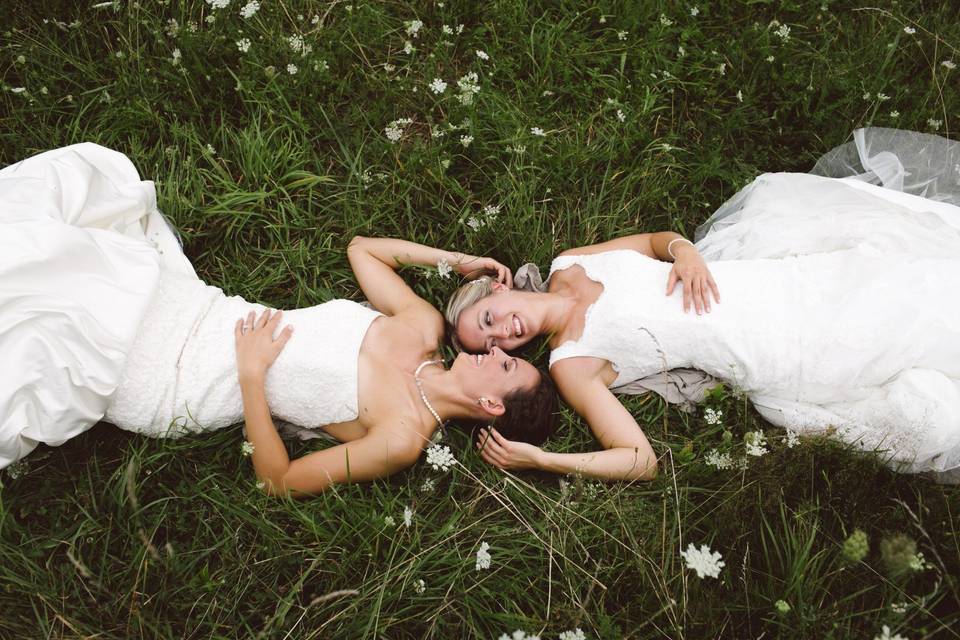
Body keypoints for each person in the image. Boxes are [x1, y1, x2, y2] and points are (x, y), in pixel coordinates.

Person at [0, 143, 558, 496]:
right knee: (74, 248)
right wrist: (454, 260)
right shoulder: (422, 328)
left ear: (490, 406)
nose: (497, 351)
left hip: (179, 382)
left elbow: (279, 480)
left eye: (507, 367)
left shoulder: (401, 437)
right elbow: (365, 250)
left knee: (65, 294)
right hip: (198, 310)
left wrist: (251, 377)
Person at [447, 128, 960, 482]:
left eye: (487, 320)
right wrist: (542, 459)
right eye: (490, 343)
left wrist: (685, 253)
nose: (502, 334)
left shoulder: (569, 264)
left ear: (498, 289)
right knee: (900, 333)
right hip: (777, 346)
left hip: (772, 282)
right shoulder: (572, 364)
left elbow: (654, 241)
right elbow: (639, 460)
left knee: (903, 279)